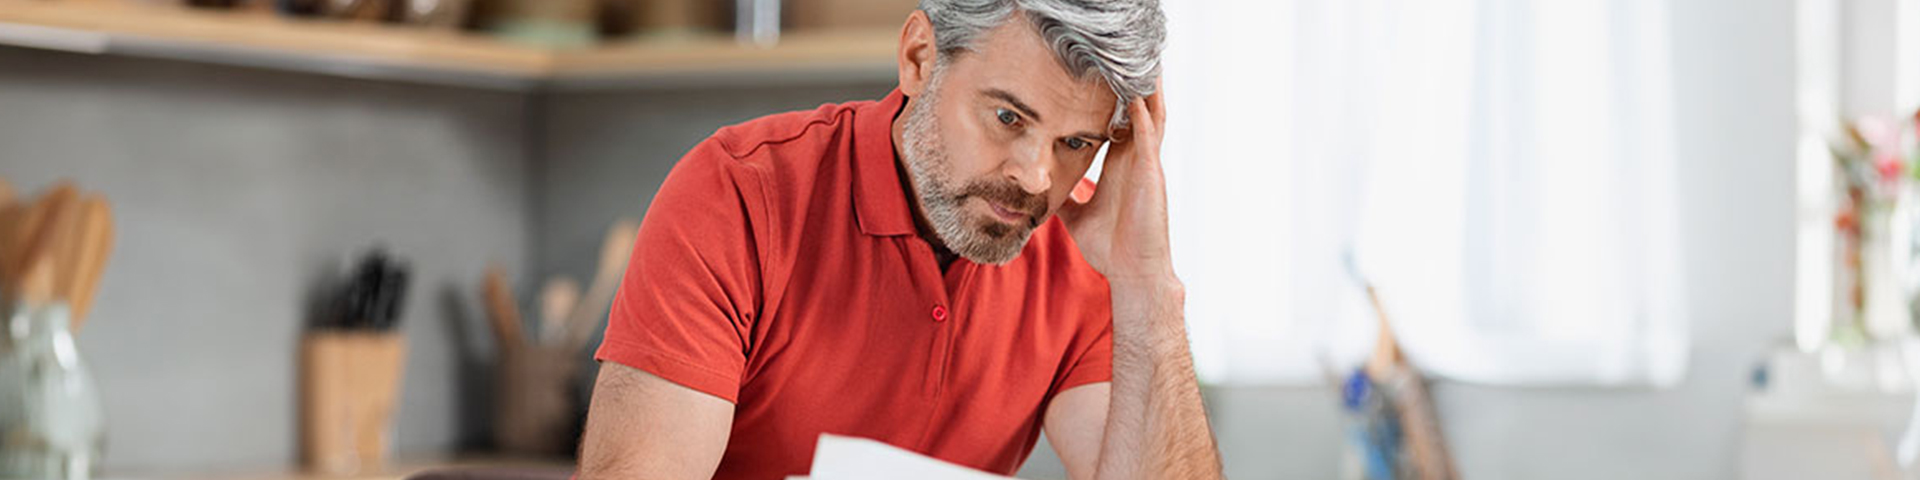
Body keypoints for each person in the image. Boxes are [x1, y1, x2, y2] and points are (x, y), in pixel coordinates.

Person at [577, 1, 1220, 478]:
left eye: (1074, 143)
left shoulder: (1081, 253)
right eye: (1007, 117)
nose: (1036, 176)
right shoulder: (738, 195)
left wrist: (1147, 286)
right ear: (919, 58)